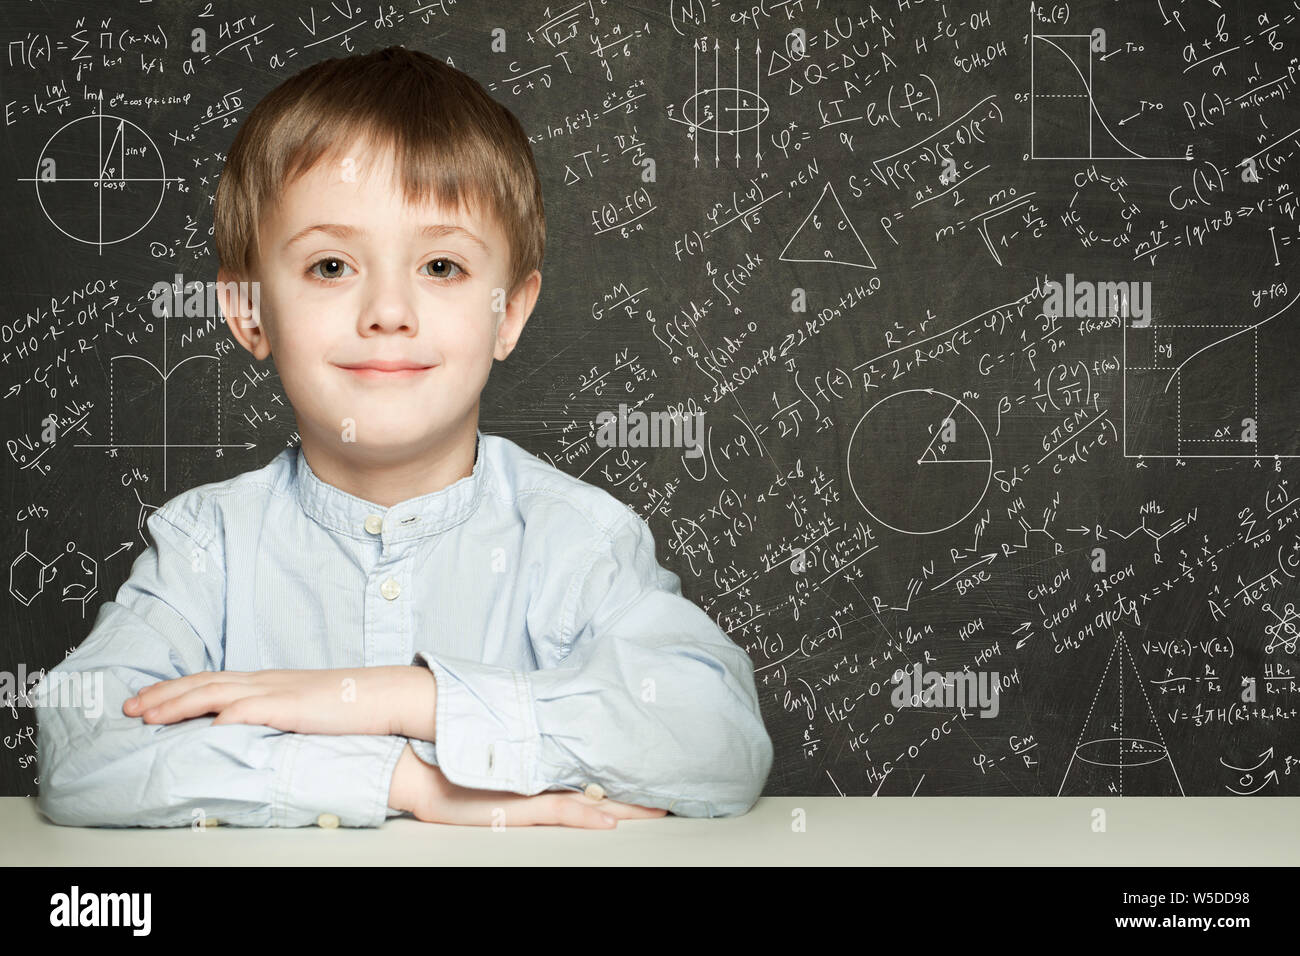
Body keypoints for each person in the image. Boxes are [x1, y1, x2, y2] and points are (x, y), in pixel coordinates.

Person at [34, 46, 773, 829]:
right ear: (249, 310)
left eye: (443, 266)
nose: (389, 309)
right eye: (329, 266)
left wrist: (410, 699)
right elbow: (83, 749)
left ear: (509, 313)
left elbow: (719, 736)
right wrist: (406, 781)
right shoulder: (207, 548)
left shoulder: (579, 543)